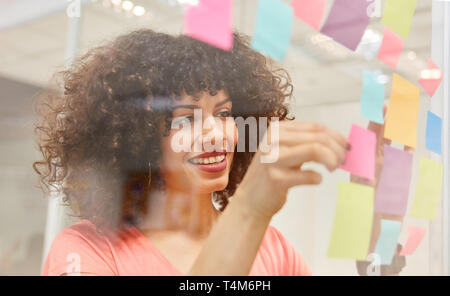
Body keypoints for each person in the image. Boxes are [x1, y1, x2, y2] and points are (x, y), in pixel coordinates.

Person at [34, 29, 385, 276]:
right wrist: (248, 208)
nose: (216, 134)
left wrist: (377, 220)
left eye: (224, 114)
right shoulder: (87, 250)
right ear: (137, 139)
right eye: (185, 119)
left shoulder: (271, 247)